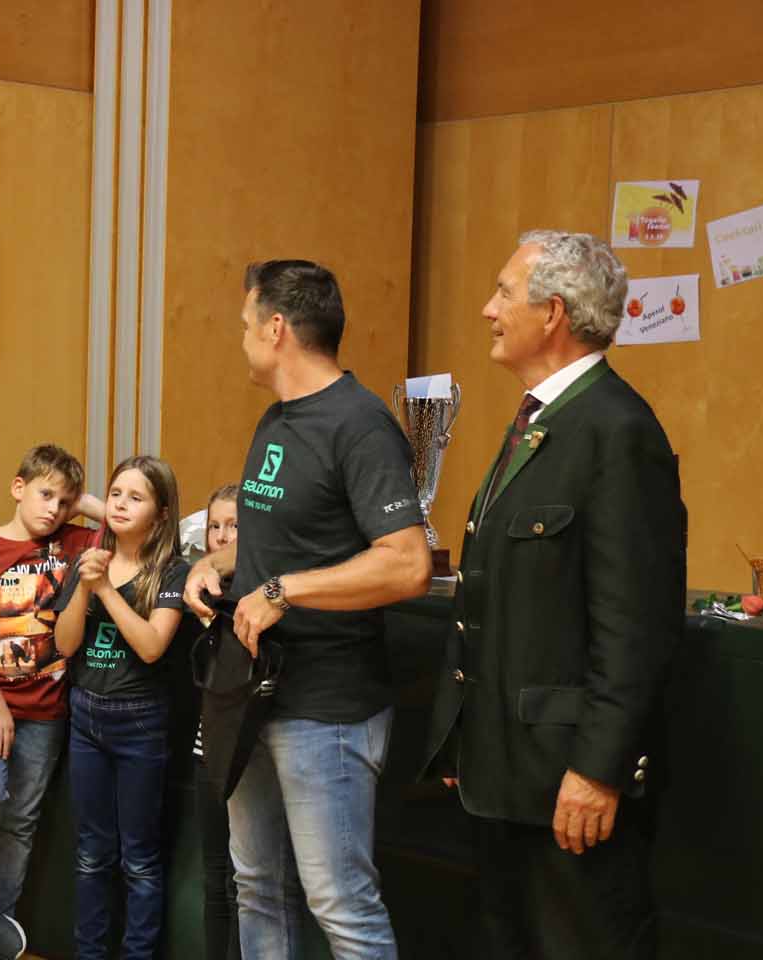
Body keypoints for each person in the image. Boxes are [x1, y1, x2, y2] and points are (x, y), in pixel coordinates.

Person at [420, 231, 684, 959]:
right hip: (506, 774)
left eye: (504, 292)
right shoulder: (540, 421)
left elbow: (637, 627)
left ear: (554, 312)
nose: (487, 309)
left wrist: (599, 769)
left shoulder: (617, 429)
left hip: (571, 784)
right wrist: (461, 733)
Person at [185, 260, 431, 959]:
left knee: (338, 902)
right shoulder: (275, 419)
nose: (240, 339)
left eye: (245, 325)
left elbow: (407, 563)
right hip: (250, 695)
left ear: (276, 328)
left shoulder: (361, 425)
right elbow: (288, 535)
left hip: (327, 708)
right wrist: (216, 564)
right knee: (256, 885)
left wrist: (281, 591)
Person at [0, 443, 102, 960]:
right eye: (45, 494)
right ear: (18, 488)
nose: (53, 509)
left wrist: (82, 503)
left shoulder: (72, 543)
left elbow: (132, 528)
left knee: (21, 821)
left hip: (45, 711)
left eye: (64, 502)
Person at [54, 456, 190, 960]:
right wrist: (84, 588)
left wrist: (106, 590)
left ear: (161, 512)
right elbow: (65, 644)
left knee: (139, 859)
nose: (120, 504)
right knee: (91, 853)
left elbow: (152, 646)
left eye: (136, 497)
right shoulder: (87, 560)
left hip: (140, 722)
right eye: (115, 494)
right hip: (86, 716)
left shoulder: (173, 570)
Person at [192, 483, 241, 960]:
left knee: (244, 883)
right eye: (215, 526)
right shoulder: (198, 585)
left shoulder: (264, 591)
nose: (222, 537)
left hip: (247, 753)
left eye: (234, 526)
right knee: (214, 878)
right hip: (206, 750)